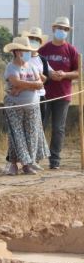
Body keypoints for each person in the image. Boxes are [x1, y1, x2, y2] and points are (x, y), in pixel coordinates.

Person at [2, 37, 50, 175]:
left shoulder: (32, 66)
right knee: (16, 134)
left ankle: (28, 164)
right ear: (17, 52)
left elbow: (40, 82)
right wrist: (29, 85)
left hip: (32, 105)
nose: (28, 53)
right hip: (14, 105)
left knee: (31, 134)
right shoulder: (10, 67)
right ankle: (15, 164)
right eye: (25, 51)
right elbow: (16, 81)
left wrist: (22, 88)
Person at [39, 16, 80, 170]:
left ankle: (54, 159)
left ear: (68, 31)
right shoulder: (44, 49)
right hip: (44, 93)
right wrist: (49, 74)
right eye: (60, 28)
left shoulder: (71, 50)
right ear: (53, 28)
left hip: (63, 95)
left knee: (58, 128)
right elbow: (36, 67)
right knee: (40, 125)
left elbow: (77, 71)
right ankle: (36, 158)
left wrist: (65, 75)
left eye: (65, 29)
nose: (62, 31)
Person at [21, 27, 52, 122]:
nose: (34, 41)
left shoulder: (43, 60)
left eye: (36, 39)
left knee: (40, 124)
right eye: (31, 39)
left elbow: (46, 80)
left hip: (40, 96)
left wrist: (37, 74)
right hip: (24, 95)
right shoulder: (22, 57)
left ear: (40, 42)